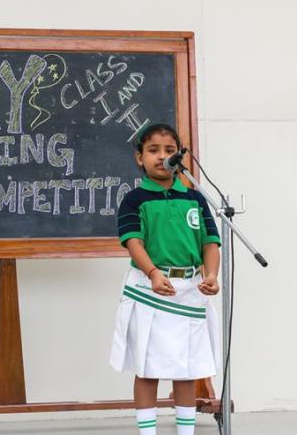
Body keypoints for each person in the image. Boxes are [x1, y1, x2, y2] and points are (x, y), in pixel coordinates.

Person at [110, 123, 221, 435]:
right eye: (153, 150)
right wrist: (154, 273)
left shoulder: (195, 198)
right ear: (139, 157)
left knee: (186, 369)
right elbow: (133, 242)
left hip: (189, 290)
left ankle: (185, 432)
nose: (162, 156)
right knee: (147, 368)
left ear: (179, 156)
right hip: (151, 289)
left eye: (170, 150)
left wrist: (212, 275)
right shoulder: (135, 199)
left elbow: (210, 242)